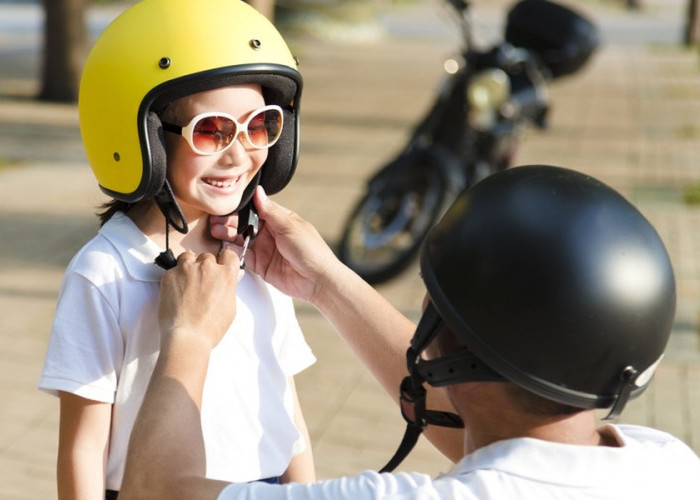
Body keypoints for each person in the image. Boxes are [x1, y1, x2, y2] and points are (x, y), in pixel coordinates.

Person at [121, 165, 700, 499]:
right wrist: (325, 282)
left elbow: (156, 490)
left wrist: (191, 335)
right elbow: (501, 439)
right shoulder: (669, 467)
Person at [38, 1, 316, 497]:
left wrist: (306, 489)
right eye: (211, 129)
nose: (239, 152)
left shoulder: (258, 252)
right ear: (145, 139)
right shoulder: (104, 271)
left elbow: (284, 403)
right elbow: (84, 445)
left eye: (259, 125)